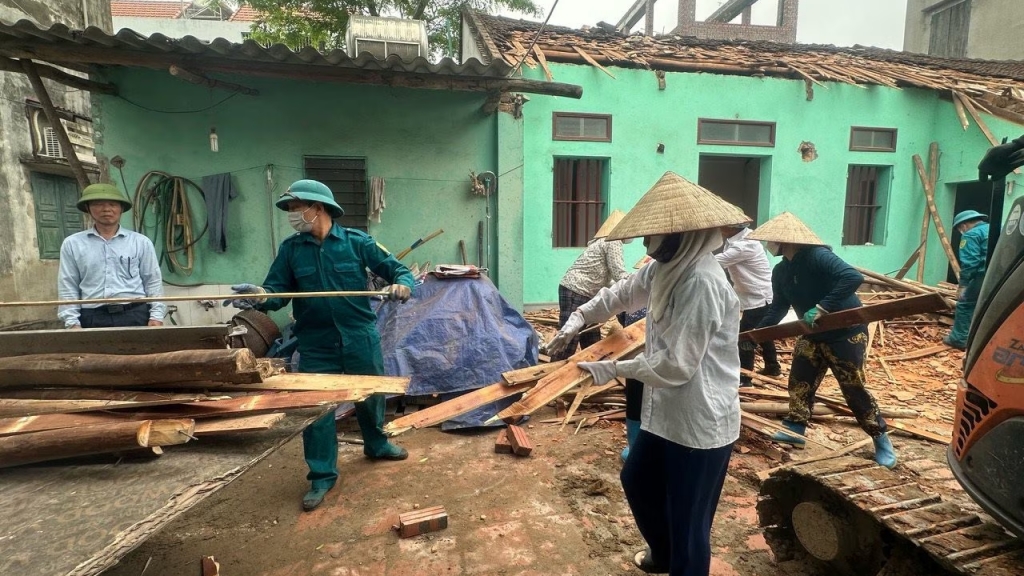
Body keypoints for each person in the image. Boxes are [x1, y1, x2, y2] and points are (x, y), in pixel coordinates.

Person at [548, 172, 746, 576]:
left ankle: (681, 562)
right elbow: (620, 293)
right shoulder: (664, 269)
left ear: (688, 234)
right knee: (637, 480)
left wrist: (613, 369)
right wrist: (578, 318)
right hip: (664, 413)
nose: (649, 247)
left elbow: (676, 366)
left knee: (690, 522)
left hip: (699, 420)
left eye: (657, 238)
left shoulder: (703, 282)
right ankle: (664, 552)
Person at [227, 179, 413, 512]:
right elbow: (277, 292)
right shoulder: (291, 250)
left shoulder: (357, 242)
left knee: (371, 395)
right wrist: (259, 296)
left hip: (359, 335)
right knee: (316, 409)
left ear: (319, 208)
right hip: (316, 342)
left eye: (297, 208)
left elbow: (397, 269)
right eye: (291, 210)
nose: (293, 215)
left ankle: (377, 444)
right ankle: (322, 475)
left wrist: (402, 284)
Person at [747, 212, 896, 469]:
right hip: (812, 334)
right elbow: (778, 308)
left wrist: (823, 307)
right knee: (799, 383)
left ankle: (880, 438)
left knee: (853, 387)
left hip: (846, 333)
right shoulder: (781, 270)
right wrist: (756, 335)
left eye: (771, 240)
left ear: (786, 241)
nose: (768, 245)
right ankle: (795, 430)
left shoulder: (818, 257)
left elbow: (852, 277)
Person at [57, 183, 165, 329]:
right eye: (98, 204)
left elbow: (152, 280)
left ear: (121, 209)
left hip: (135, 314)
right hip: (92, 316)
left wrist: (156, 316)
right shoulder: (73, 244)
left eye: (113, 204)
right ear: (88, 208)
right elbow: (68, 284)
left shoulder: (140, 242)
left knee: (141, 352)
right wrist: (72, 322)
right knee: (91, 353)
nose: (106, 209)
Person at [551, 210, 630, 361]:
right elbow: (618, 272)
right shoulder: (613, 241)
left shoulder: (602, 242)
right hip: (577, 290)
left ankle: (592, 373)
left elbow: (607, 278)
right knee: (569, 337)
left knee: (591, 340)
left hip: (581, 291)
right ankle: (551, 376)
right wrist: (634, 282)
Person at [715, 223, 781, 385]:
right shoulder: (737, 238)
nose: (719, 229)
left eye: (722, 226)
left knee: (745, 337)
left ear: (731, 227)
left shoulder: (745, 244)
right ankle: (773, 366)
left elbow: (716, 262)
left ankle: (745, 378)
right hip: (754, 295)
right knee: (763, 332)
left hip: (758, 297)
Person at [944, 210, 990, 350]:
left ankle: (959, 339)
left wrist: (963, 285)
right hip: (1002, 274)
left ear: (963, 226)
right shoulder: (996, 228)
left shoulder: (971, 234)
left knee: (965, 304)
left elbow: (970, 263)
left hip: (983, 276)